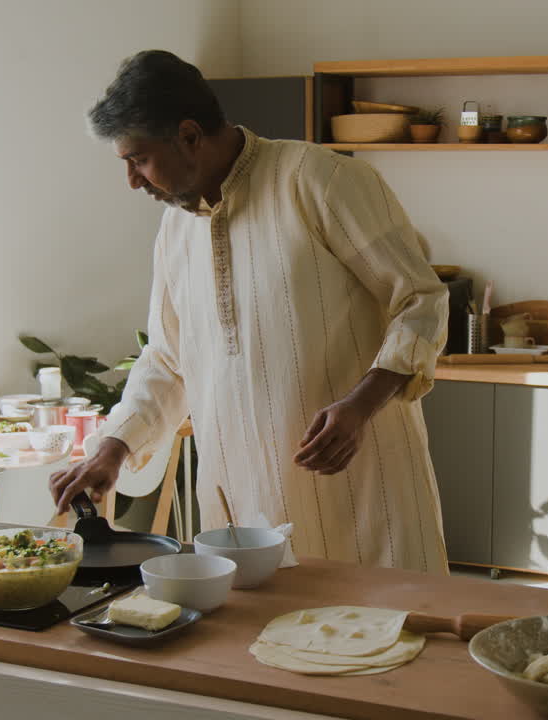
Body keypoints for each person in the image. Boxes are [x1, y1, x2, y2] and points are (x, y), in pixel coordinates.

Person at [49, 50, 450, 574]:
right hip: (243, 512)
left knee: (392, 639)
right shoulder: (176, 227)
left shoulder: (320, 180)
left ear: (189, 136)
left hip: (361, 489)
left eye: (138, 159)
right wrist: (114, 448)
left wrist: (358, 407)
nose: (132, 180)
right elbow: (167, 360)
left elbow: (421, 299)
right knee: (255, 650)